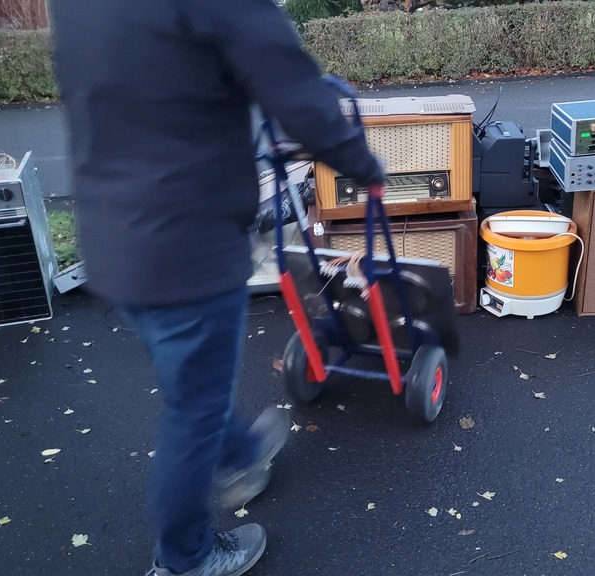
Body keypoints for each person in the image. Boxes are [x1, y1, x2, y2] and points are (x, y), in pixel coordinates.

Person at [49, 1, 386, 575]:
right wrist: (364, 166)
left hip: (112, 237)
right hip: (186, 242)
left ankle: (242, 453)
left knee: (190, 378)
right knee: (194, 408)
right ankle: (185, 559)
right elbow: (292, 87)